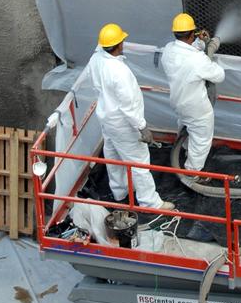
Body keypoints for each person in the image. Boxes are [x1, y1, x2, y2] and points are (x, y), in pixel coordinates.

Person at [85, 23, 171, 211]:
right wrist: (142, 127)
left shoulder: (96, 60)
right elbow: (128, 105)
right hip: (123, 124)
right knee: (139, 163)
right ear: (118, 45)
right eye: (122, 41)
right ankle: (151, 202)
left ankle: (119, 192)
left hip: (106, 119)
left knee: (113, 155)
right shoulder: (119, 72)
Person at [160, 12, 225, 173]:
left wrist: (201, 43)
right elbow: (219, 75)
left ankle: (185, 147)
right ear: (191, 34)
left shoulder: (168, 50)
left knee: (186, 125)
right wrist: (209, 48)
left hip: (178, 102)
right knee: (202, 138)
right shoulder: (197, 60)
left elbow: (187, 51)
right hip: (197, 107)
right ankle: (192, 172)